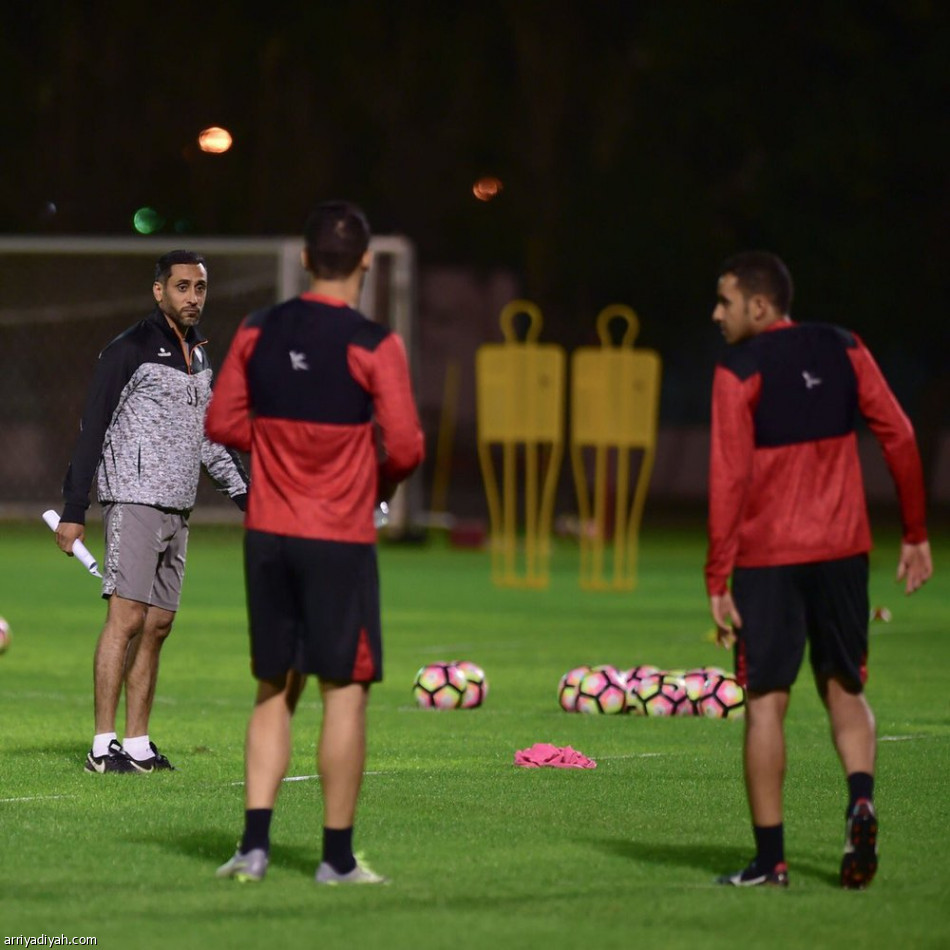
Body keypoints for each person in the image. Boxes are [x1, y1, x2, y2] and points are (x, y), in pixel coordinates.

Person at [206, 201, 424, 885]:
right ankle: (333, 859)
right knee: (344, 691)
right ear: (365, 261)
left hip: (268, 532)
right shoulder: (374, 343)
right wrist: (371, 479)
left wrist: (277, 448)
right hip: (337, 538)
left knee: (275, 687)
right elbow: (409, 444)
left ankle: (254, 847)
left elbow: (222, 422)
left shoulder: (255, 330)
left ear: (304, 258)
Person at [705, 250, 932, 890]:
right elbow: (902, 435)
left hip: (767, 559)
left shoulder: (737, 367)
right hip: (842, 553)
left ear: (759, 305)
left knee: (766, 706)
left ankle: (769, 861)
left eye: (724, 301)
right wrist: (914, 532)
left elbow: (729, 476)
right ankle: (860, 798)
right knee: (846, 690)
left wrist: (716, 575)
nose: (715, 313)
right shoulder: (844, 346)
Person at [56, 250, 249, 774]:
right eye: (182, 287)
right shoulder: (129, 350)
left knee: (159, 625)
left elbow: (209, 438)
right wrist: (76, 507)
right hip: (134, 499)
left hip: (178, 506)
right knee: (126, 619)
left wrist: (246, 498)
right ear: (159, 291)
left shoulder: (200, 355)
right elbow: (92, 426)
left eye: (200, 288)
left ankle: (138, 744)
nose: (193, 297)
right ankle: (103, 744)